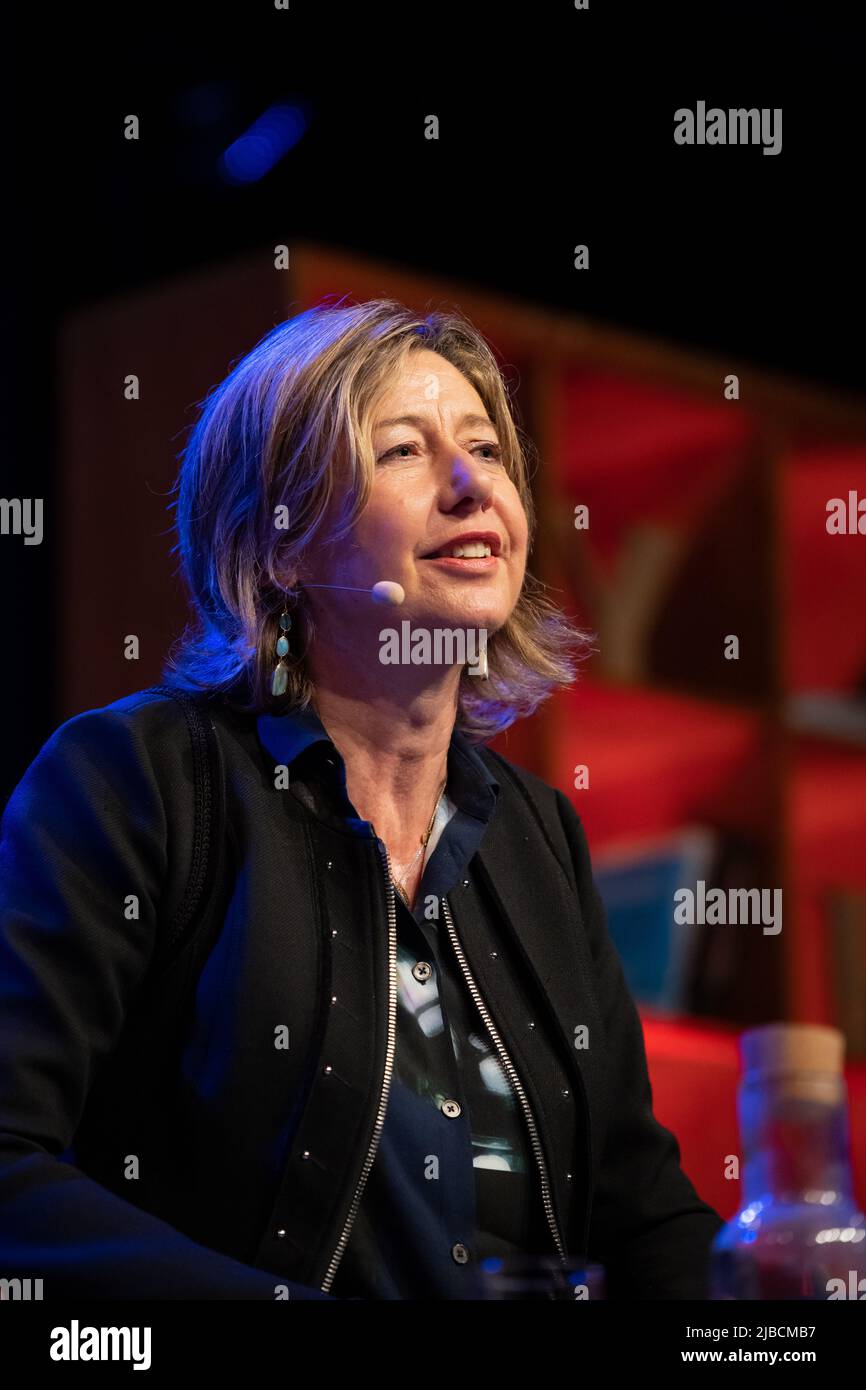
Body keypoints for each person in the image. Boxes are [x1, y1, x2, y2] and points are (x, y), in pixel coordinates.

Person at [0, 297, 723, 1300]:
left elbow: (638, 1207)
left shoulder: (535, 836)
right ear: (282, 546)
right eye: (403, 453)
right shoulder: (135, 782)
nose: (472, 485)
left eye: (484, 448)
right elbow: (12, 1162)